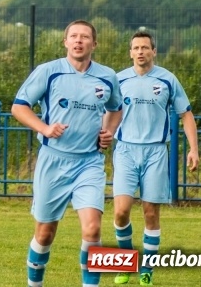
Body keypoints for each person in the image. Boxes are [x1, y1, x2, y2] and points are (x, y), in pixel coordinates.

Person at [11, 20, 123, 287]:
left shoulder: (107, 76)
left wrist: (108, 132)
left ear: (94, 44)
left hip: (90, 163)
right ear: (65, 42)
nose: (78, 40)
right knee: (45, 232)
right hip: (54, 161)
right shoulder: (48, 72)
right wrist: (45, 128)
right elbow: (19, 107)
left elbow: (116, 107)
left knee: (93, 229)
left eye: (85, 37)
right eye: (73, 36)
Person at [112, 31, 199, 286]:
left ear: (154, 51)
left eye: (145, 47)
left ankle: (147, 268)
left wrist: (193, 149)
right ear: (130, 52)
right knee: (120, 212)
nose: (140, 52)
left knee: (150, 213)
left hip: (156, 152)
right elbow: (104, 113)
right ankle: (126, 262)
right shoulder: (118, 80)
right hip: (126, 150)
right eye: (136, 48)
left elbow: (186, 114)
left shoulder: (168, 79)